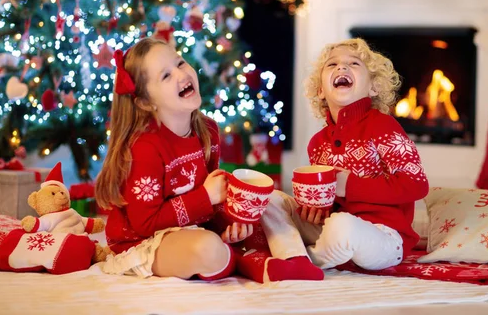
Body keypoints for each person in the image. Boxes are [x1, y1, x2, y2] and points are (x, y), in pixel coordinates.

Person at [259, 38, 429, 271]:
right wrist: (317, 210)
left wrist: (348, 185)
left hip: (384, 237)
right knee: (270, 199)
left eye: (354, 64)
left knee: (343, 226)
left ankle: (309, 261)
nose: (342, 67)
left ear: (373, 87)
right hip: (333, 228)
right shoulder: (318, 143)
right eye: (332, 65)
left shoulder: (383, 127)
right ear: (320, 90)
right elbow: (330, 206)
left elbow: (416, 184)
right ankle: (292, 256)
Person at [95, 37, 252, 280]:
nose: (181, 74)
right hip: (145, 240)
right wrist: (207, 196)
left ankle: (242, 250)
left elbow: (211, 203)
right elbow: (145, 223)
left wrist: (230, 224)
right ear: (146, 102)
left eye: (180, 63)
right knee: (208, 249)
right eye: (166, 76)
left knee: (267, 206)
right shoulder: (144, 148)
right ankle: (242, 261)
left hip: (193, 227)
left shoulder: (207, 131)